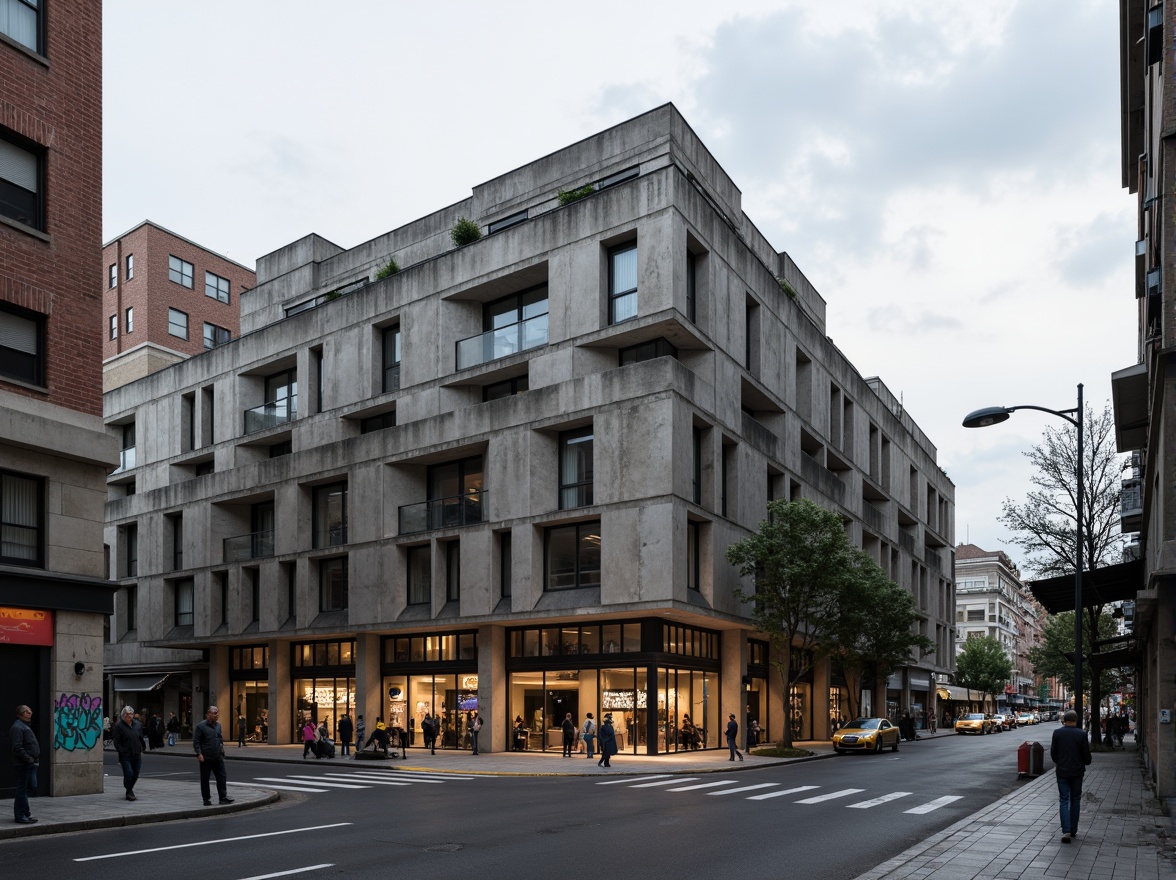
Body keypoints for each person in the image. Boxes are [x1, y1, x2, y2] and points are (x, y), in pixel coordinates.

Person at [1050, 709, 1092, 843]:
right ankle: (1073, 829)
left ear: (1064, 720)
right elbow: (1086, 756)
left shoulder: (1057, 733)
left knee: (1063, 800)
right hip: (1077, 772)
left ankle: (1066, 830)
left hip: (1062, 771)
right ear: (1075, 720)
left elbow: (1053, 753)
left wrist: (1061, 762)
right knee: (1075, 799)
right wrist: (1084, 761)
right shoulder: (1081, 734)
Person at [193, 706, 233, 806]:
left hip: (217, 756)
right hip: (206, 757)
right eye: (214, 713)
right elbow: (196, 741)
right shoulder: (201, 726)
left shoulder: (218, 726)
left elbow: (219, 739)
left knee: (222, 776)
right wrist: (199, 753)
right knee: (205, 778)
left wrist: (222, 750)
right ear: (208, 714)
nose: (216, 715)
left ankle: (223, 797)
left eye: (217, 713)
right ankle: (206, 799)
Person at [10, 704, 39, 824]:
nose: (29, 713)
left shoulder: (24, 726)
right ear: (20, 714)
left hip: (28, 763)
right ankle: (20, 815)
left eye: (29, 710)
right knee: (22, 790)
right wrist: (28, 759)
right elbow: (17, 747)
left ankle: (25, 813)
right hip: (23, 764)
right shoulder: (18, 727)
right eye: (26, 711)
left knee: (27, 788)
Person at [111, 706, 143, 801]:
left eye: (131, 714)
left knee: (135, 774)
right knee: (129, 773)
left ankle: (129, 789)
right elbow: (116, 742)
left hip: (136, 754)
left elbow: (140, 736)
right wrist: (122, 751)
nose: (129, 716)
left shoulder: (137, 724)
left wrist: (142, 747)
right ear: (123, 715)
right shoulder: (118, 726)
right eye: (127, 714)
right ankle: (129, 791)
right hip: (125, 755)